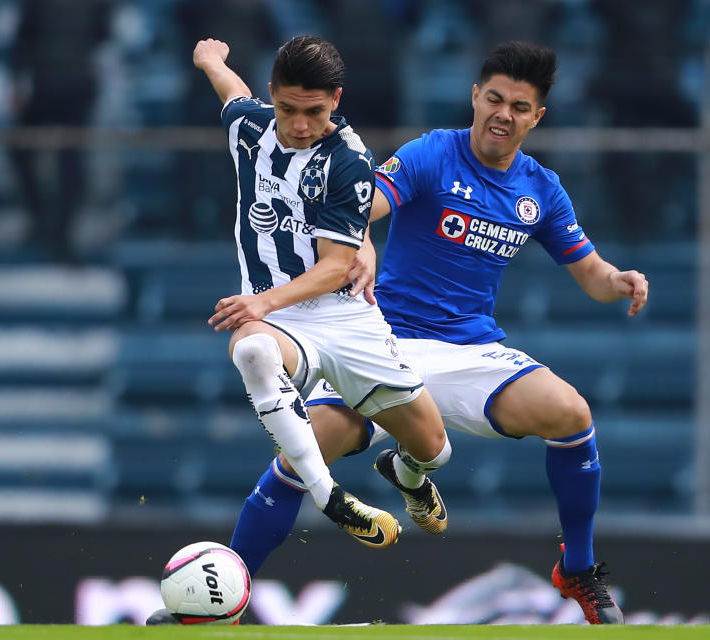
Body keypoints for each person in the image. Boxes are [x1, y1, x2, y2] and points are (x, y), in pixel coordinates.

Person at [224, 41, 647, 625]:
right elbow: (358, 206)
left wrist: (620, 280)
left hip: (472, 350)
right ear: (475, 97)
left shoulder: (541, 190)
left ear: (536, 117)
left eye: (519, 107)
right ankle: (226, 594)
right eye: (494, 99)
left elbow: (592, 276)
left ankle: (576, 569)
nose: (503, 113)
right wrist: (360, 244)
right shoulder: (431, 154)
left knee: (571, 414)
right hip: (385, 342)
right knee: (308, 443)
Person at [191, 36, 452, 551]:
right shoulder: (250, 127)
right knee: (251, 348)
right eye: (287, 109)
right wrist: (211, 60)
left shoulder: (350, 160)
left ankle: (407, 473)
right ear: (273, 95)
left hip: (343, 316)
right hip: (281, 321)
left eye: (313, 111)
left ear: (335, 99)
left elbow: (336, 268)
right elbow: (232, 93)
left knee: (434, 447)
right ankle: (330, 496)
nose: (300, 124)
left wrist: (260, 302)